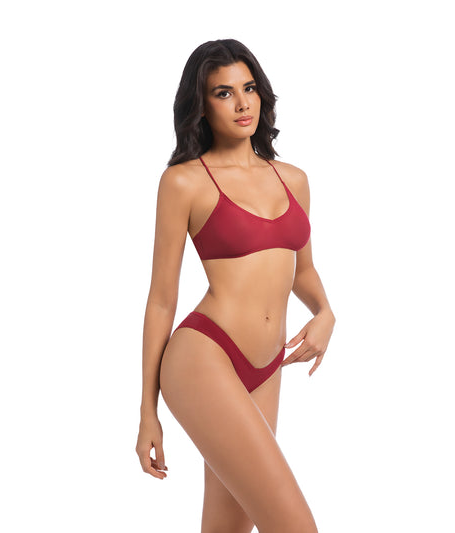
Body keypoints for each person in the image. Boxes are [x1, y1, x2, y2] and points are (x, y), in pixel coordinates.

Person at [135, 38, 336, 533]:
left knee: (228, 528)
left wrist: (325, 313)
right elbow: (161, 299)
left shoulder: (293, 179)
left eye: (248, 88)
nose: (242, 103)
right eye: (223, 93)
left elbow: (303, 271)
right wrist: (147, 412)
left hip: (266, 367)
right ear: (201, 106)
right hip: (203, 357)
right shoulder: (184, 182)